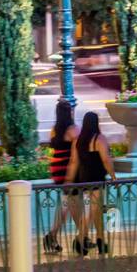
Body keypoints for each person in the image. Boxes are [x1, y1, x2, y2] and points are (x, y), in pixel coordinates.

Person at [67, 110, 116, 256]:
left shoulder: (78, 141)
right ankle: (80, 240)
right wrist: (113, 176)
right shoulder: (99, 139)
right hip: (96, 178)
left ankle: (101, 241)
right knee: (91, 211)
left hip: (83, 178)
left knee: (96, 211)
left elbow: (74, 161)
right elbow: (106, 159)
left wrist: (69, 181)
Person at [42, 99, 81, 253]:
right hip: (67, 169)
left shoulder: (54, 130)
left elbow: (52, 151)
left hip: (56, 167)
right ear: (70, 112)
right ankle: (82, 237)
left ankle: (53, 236)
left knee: (67, 204)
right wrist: (70, 178)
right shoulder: (74, 130)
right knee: (72, 204)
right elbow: (74, 157)